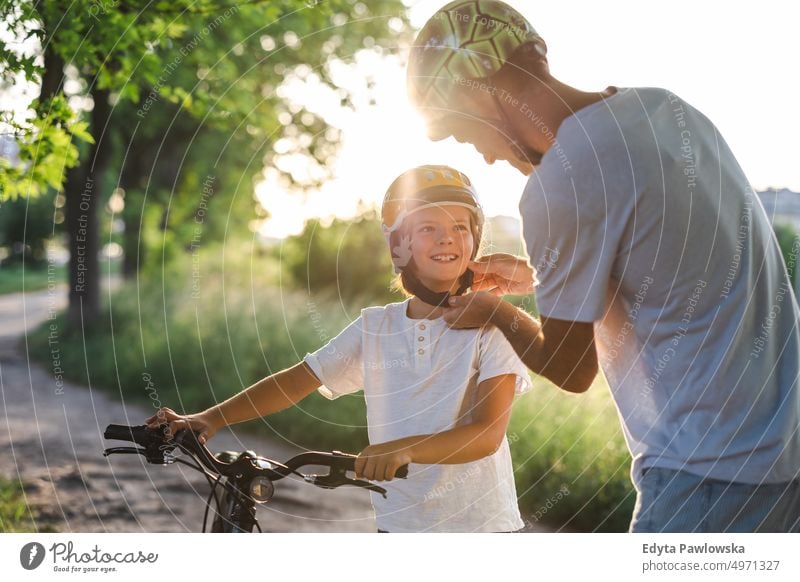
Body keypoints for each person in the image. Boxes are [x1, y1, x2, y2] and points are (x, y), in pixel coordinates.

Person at [407, 0, 800, 532]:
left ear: (477, 91)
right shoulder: (668, 109)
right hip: (783, 455)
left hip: (704, 476)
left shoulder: (560, 182)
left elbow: (571, 370)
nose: (486, 155)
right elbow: (670, 263)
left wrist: (493, 313)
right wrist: (537, 276)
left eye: (462, 131)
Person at [147, 165, 532, 533]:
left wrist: (403, 450)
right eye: (428, 227)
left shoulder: (493, 325)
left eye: (459, 227)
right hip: (399, 523)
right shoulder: (376, 326)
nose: (446, 237)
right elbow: (297, 381)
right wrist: (211, 418)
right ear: (400, 245)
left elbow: (486, 435)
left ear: (474, 239)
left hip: (481, 526)